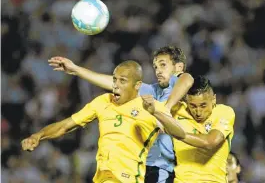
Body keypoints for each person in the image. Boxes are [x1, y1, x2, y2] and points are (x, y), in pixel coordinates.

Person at [21, 60, 186, 183]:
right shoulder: (102, 102)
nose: (115, 86)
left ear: (137, 86)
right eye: (114, 80)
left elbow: (180, 133)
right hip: (102, 177)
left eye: (122, 81)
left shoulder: (150, 106)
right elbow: (65, 125)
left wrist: (156, 112)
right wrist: (38, 135)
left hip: (127, 179)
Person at [142, 76, 236, 183]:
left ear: (214, 99)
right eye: (193, 106)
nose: (198, 111)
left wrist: (180, 134)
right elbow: (186, 78)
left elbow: (210, 142)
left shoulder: (224, 112)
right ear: (186, 101)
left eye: (203, 105)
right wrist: (165, 108)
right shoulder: (177, 110)